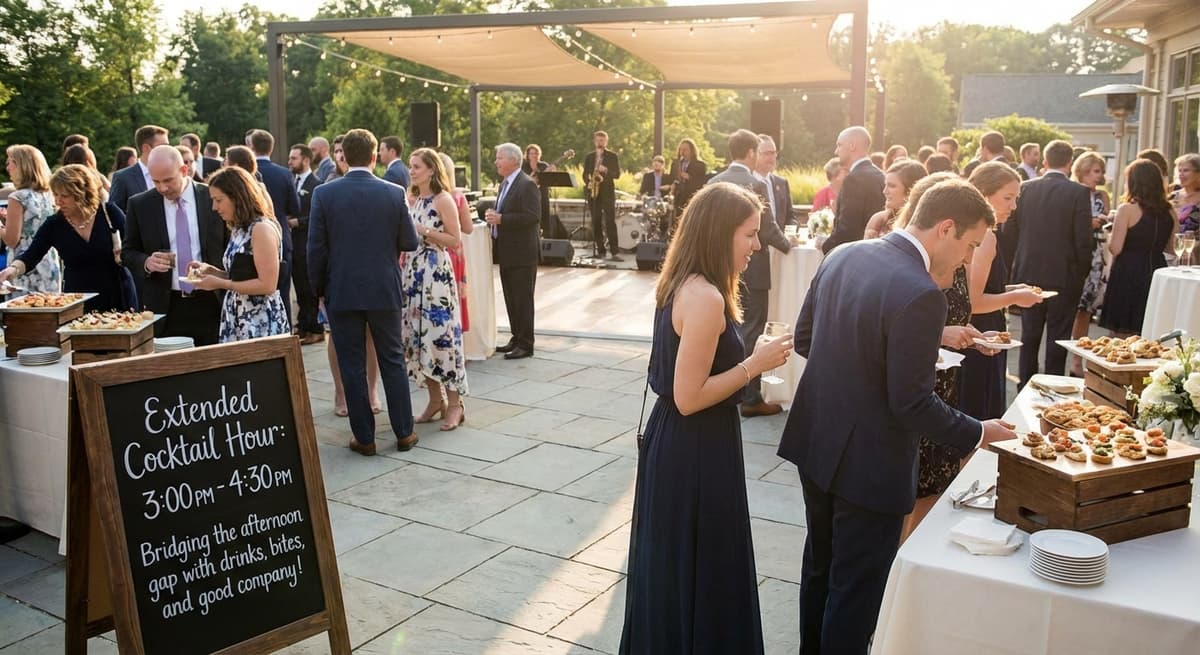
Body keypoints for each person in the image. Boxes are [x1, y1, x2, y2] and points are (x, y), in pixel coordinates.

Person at [778, 178, 1016, 654]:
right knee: (857, 591)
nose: (967, 259)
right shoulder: (922, 292)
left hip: (817, 441)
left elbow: (807, 340)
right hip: (872, 463)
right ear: (945, 228)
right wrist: (978, 431)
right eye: (970, 245)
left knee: (820, 568)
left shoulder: (844, 253)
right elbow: (912, 403)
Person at [620, 182, 791, 655]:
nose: (757, 245)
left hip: (682, 442)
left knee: (677, 570)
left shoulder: (684, 281)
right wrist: (753, 365)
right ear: (719, 233)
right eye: (749, 234)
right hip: (694, 447)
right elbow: (689, 397)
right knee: (703, 569)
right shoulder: (706, 297)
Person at [308, 128, 420, 456]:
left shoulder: (324, 194)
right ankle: (404, 433)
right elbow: (410, 241)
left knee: (351, 363)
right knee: (393, 360)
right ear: (374, 157)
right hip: (384, 287)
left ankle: (365, 438)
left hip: (341, 288)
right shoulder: (394, 192)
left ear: (343, 157)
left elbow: (315, 250)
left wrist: (319, 290)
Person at [707, 129, 791, 418]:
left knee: (727, 328)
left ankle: (726, 387)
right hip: (753, 271)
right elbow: (765, 229)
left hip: (718, 268)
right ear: (752, 153)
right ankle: (751, 397)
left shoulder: (714, 182)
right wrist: (789, 246)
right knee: (753, 330)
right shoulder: (756, 184)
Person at [958, 162, 1044, 419]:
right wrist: (1015, 297)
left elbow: (980, 285)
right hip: (982, 333)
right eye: (1007, 198)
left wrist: (1012, 289)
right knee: (980, 411)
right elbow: (972, 301)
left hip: (981, 332)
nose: (1013, 206)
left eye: (1015, 199)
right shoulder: (986, 237)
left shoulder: (981, 233)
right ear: (984, 194)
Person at [1006, 140, 1093, 388]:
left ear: (1045, 161)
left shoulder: (1026, 188)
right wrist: (1081, 274)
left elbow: (1010, 231)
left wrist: (1015, 267)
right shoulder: (1078, 192)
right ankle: (1052, 386)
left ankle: (1025, 385)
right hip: (1065, 275)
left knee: (1029, 335)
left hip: (1029, 272)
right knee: (1058, 336)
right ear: (1070, 163)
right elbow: (1084, 240)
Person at [122, 145, 227, 345]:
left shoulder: (212, 197)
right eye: (156, 181)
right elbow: (127, 252)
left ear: (184, 170)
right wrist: (146, 262)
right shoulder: (140, 204)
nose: (162, 188)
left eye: (168, 180)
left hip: (212, 300)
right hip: (165, 306)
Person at [0, 165, 132, 312]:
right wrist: (11, 270)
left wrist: (124, 255)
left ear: (82, 194)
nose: (58, 201)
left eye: (64, 196)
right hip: (78, 301)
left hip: (117, 296)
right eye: (55, 195)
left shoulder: (110, 213)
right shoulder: (54, 224)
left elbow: (134, 246)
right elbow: (31, 255)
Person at [402, 148, 468, 431]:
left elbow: (455, 239)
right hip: (414, 273)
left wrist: (424, 230)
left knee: (442, 337)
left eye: (417, 166)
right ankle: (434, 400)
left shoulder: (443, 199)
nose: (412, 171)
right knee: (420, 338)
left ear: (431, 169)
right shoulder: (415, 199)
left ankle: (454, 405)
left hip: (436, 275)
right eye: (410, 166)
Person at [185, 167, 289, 343]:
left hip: (259, 321)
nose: (214, 207)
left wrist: (220, 283)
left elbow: (267, 285)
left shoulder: (261, 229)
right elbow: (242, 276)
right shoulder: (239, 228)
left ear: (237, 197)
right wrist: (211, 271)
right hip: (238, 316)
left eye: (218, 200)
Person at [1100, 159, 1176, 336]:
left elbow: (1116, 248)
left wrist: (1110, 233)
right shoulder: (1170, 211)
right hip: (1157, 269)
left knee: (1121, 332)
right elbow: (1172, 247)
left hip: (1128, 271)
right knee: (1150, 328)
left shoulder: (1127, 209)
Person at [486, 143, 541, 360]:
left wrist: (502, 219)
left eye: (500, 158)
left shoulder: (527, 184)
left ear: (513, 160)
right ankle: (516, 337)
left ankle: (526, 344)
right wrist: (494, 215)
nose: (496, 162)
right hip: (507, 252)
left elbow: (532, 216)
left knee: (522, 300)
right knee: (511, 298)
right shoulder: (505, 184)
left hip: (522, 254)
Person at [246, 129, 297, 333]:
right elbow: (295, 206)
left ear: (251, 147)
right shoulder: (284, 173)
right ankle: (285, 335)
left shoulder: (247, 175)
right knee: (282, 293)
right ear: (271, 148)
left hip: (252, 239)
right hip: (281, 236)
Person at [1070, 151, 1112, 375]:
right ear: (1083, 171)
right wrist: (1088, 223)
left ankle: (1077, 361)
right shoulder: (1072, 192)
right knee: (1071, 308)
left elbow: (1106, 220)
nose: (1099, 175)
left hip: (1097, 255)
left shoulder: (1102, 196)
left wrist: (1104, 221)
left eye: (1101, 171)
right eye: (1095, 171)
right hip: (1075, 254)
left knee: (1085, 309)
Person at [3, 145, 62, 295]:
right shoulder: (49, 195)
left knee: (25, 308)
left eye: (10, 162)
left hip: (24, 267)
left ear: (22, 166)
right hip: (48, 264)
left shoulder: (17, 197)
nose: (7, 167)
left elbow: (11, 240)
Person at [821, 126, 885, 254]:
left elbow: (847, 229)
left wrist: (825, 245)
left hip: (856, 254)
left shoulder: (853, 179)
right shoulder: (880, 175)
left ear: (852, 146)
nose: (836, 151)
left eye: (839, 145)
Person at [288, 143, 324, 344]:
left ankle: (315, 327)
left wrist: (298, 222)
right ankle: (303, 325)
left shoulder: (316, 184)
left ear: (306, 160)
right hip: (293, 244)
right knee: (299, 287)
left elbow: (318, 216)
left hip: (307, 243)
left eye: (294, 158)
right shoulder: (291, 181)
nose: (290, 161)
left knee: (309, 288)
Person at [439, 151, 472, 333]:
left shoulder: (424, 196)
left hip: (435, 248)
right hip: (454, 251)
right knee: (454, 294)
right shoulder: (457, 196)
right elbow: (468, 228)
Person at [109, 124, 169, 211]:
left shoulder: (171, 173)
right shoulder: (122, 177)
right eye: (163, 146)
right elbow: (114, 211)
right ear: (146, 148)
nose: (168, 150)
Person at [583, 131, 622, 260]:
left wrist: (606, 170)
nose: (600, 142)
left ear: (606, 142)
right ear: (594, 141)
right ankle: (601, 251)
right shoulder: (589, 157)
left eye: (602, 140)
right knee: (596, 221)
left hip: (607, 192)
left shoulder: (612, 156)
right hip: (593, 192)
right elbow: (585, 174)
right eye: (598, 140)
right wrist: (588, 181)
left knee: (610, 221)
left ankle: (615, 252)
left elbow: (617, 174)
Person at [864, 161, 926, 239]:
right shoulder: (879, 220)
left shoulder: (923, 226)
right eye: (885, 185)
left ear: (910, 191)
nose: (884, 191)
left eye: (891, 186)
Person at [755, 134, 797, 230]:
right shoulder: (748, 183)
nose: (771, 157)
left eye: (774, 153)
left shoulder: (782, 183)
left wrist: (791, 230)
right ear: (755, 154)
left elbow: (791, 216)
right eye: (767, 153)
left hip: (781, 238)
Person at [668, 138, 707, 221]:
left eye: (685, 150)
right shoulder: (675, 164)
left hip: (691, 198)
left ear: (692, 151)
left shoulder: (700, 165)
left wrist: (689, 177)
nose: (682, 152)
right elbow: (671, 179)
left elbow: (701, 183)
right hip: (677, 198)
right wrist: (672, 185)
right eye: (680, 150)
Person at [521, 144, 556, 237]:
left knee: (545, 216)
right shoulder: (524, 166)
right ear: (527, 155)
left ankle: (547, 238)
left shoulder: (544, 165)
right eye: (531, 153)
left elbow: (551, 181)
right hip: (529, 196)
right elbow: (522, 180)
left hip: (543, 194)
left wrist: (552, 173)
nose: (534, 155)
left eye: (536, 153)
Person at [1173, 153, 1200, 232]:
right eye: (1179, 170)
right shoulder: (1173, 196)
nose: (1181, 175)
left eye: (1186, 170)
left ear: (1198, 174)